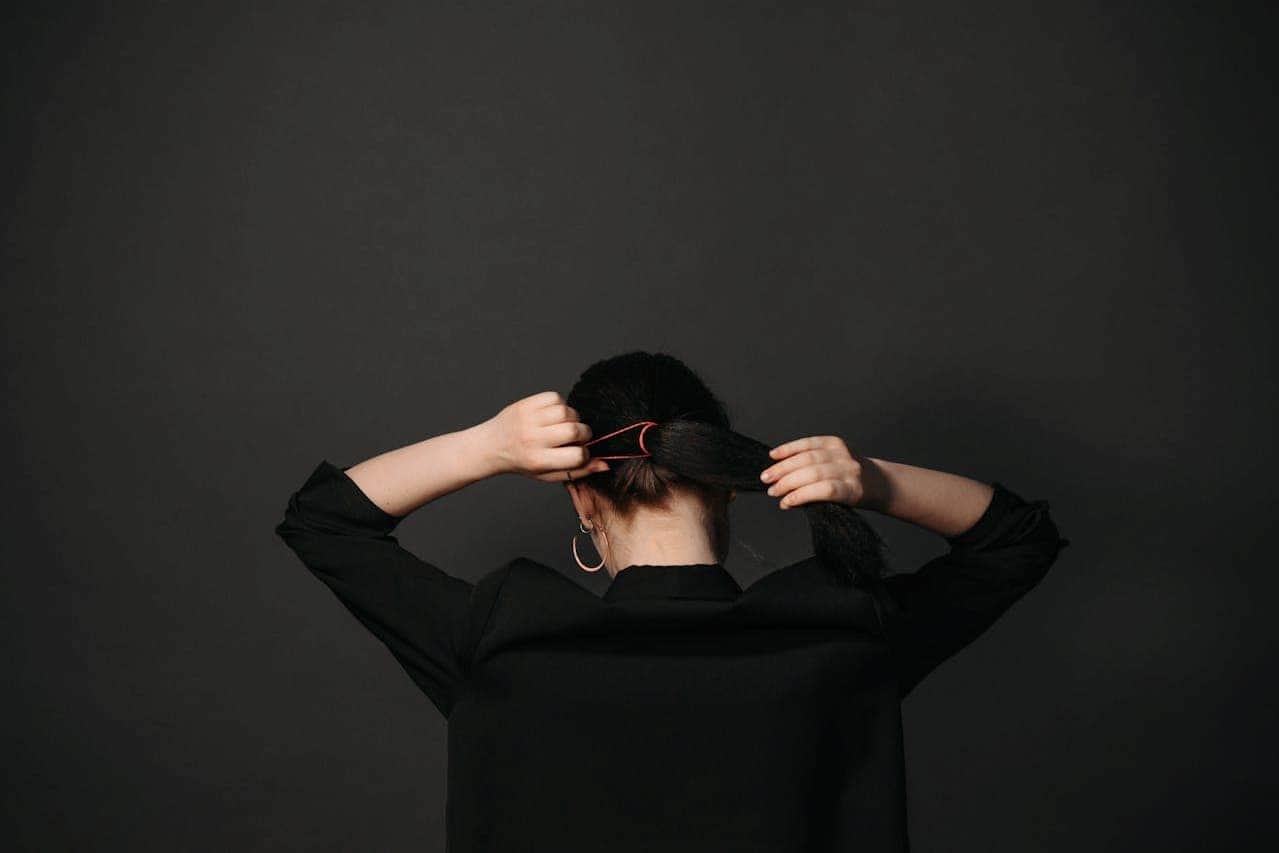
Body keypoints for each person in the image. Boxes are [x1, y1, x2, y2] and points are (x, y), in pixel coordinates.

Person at [273, 350, 1070, 852]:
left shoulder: (501, 640)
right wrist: (872, 480)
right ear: (725, 493)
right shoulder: (840, 630)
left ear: (583, 502)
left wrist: (489, 446)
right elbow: (1015, 540)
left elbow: (325, 522)